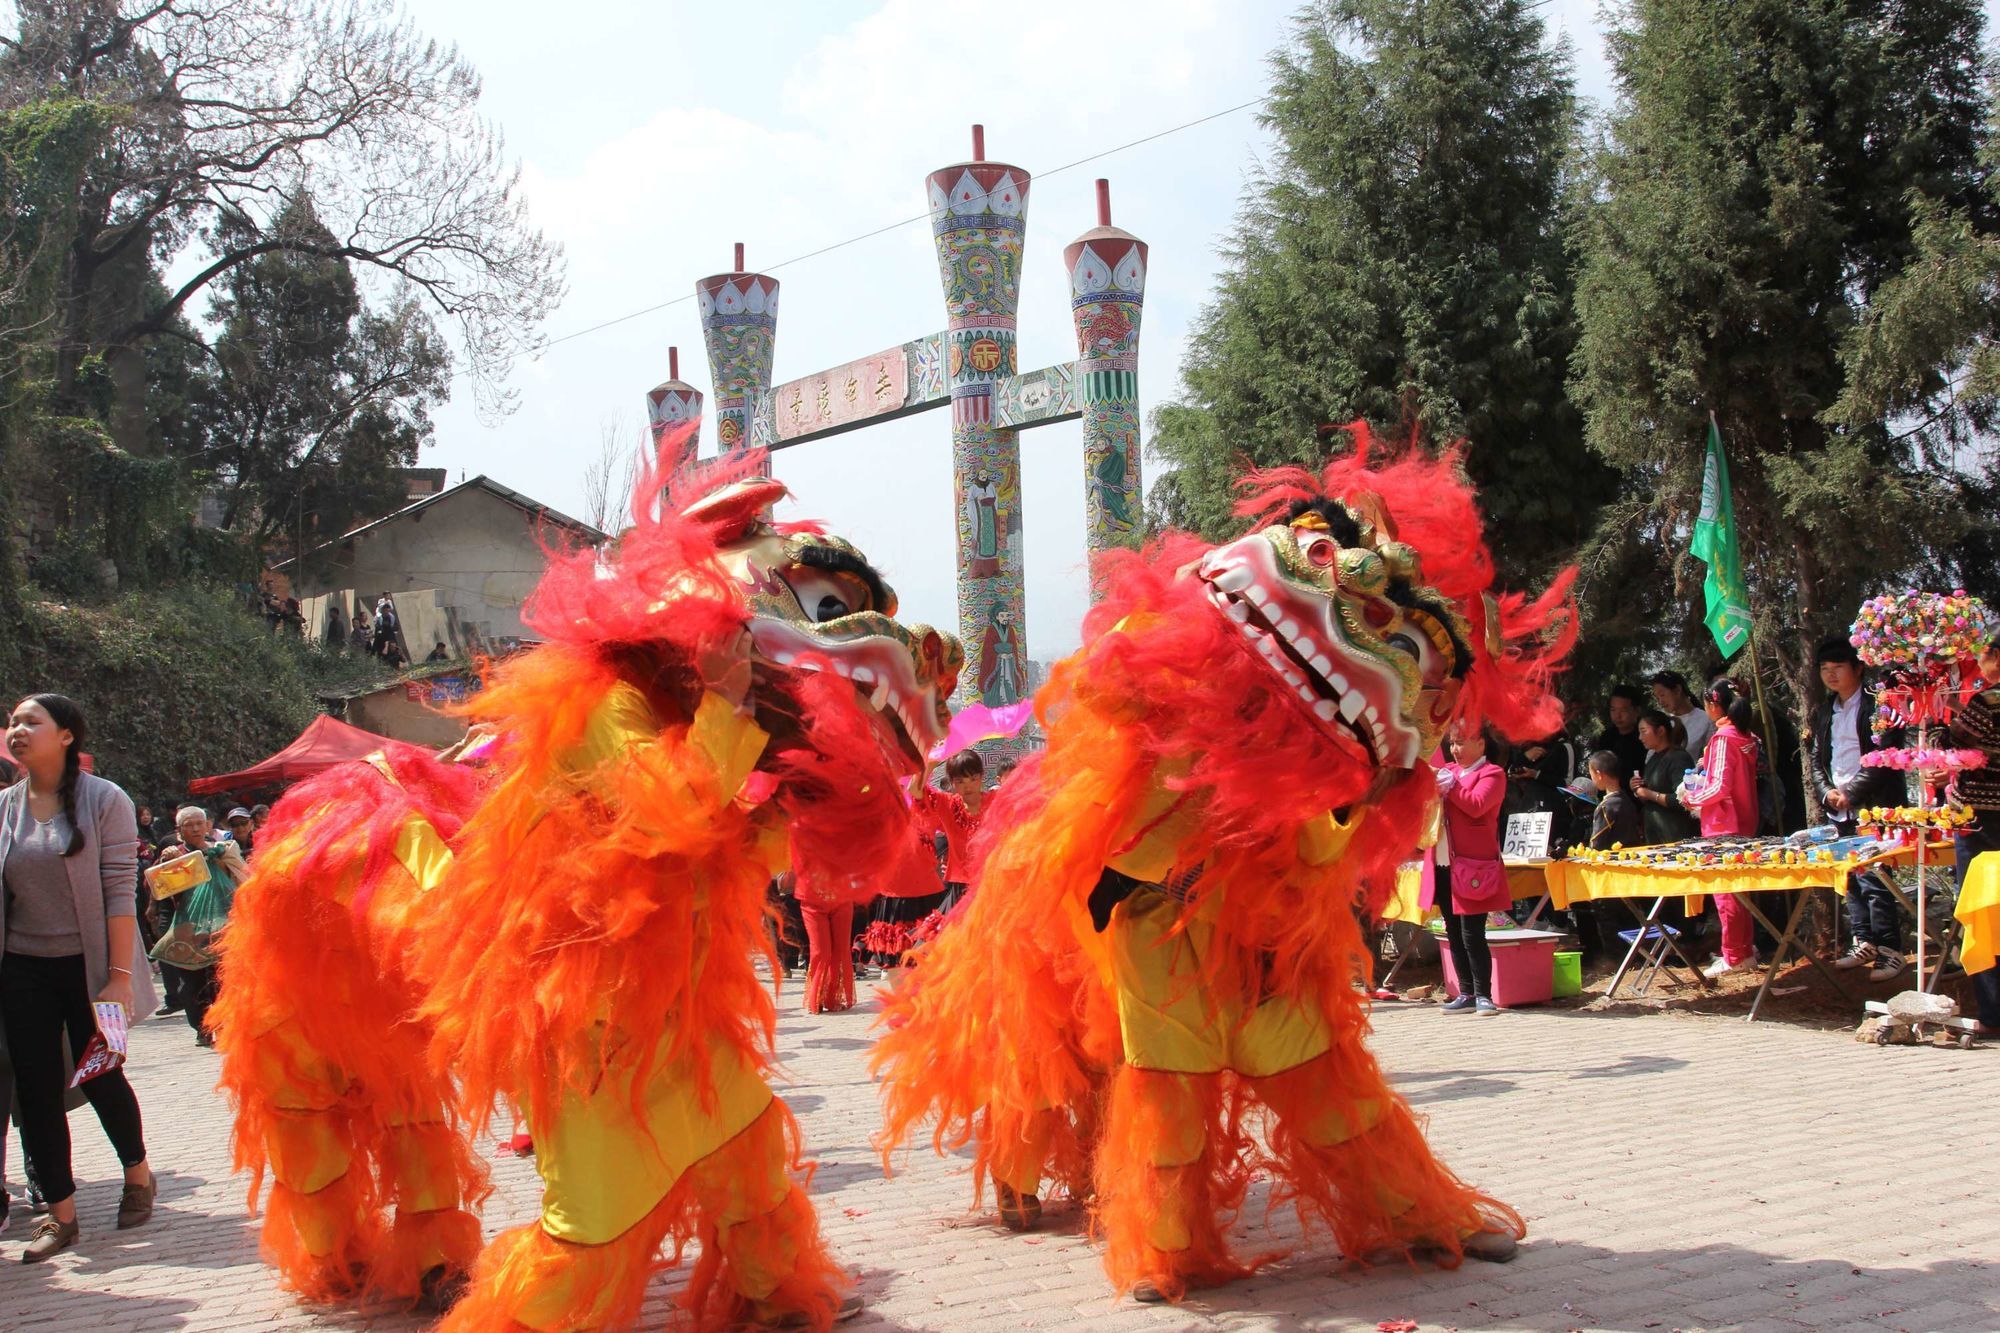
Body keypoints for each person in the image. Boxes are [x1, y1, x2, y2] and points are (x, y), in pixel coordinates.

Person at [0, 694, 156, 1261]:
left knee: (102, 1073)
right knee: (36, 1088)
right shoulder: (5, 807)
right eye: (13, 722)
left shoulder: (104, 799)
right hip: (22, 968)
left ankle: (137, 1174)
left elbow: (121, 889)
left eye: (30, 722)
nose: (17, 730)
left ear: (66, 735)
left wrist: (117, 979)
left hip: (96, 970)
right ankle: (60, 1216)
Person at [1806, 636, 1910, 980]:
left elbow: (1884, 756)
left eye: (1838, 668)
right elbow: (1817, 759)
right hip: (1838, 806)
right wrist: (1828, 794)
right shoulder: (1825, 710)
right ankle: (1863, 940)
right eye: (1825, 670)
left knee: (1878, 879)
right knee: (1850, 876)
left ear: (1858, 668)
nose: (1831, 676)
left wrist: (1853, 791)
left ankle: (1891, 949)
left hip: (1875, 804)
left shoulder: (1878, 705)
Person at [1679, 681, 1763, 978]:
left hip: (1722, 823)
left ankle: (1733, 954)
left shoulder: (1723, 738)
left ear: (1713, 705)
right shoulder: (1746, 736)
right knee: (1739, 890)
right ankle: (1744, 949)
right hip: (1744, 817)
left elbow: (1719, 786)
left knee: (1725, 892)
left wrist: (1691, 797)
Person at [1427, 727, 1510, 1015]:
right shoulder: (1448, 771)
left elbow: (1476, 806)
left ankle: (1483, 994)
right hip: (1442, 862)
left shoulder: (1493, 773)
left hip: (1473, 865)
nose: (1455, 750)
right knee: (1452, 930)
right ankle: (1465, 992)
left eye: (1461, 743)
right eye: (1452, 744)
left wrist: (1453, 787)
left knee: (1472, 932)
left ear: (1480, 743)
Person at [152, 806, 247, 1045]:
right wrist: (169, 861)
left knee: (222, 979)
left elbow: (242, 873)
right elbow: (161, 890)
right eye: (188, 825)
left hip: (222, 927)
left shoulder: (223, 850)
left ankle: (225, 1026)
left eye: (199, 823)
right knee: (191, 983)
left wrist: (212, 855)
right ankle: (202, 1028)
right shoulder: (174, 854)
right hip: (187, 927)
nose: (195, 828)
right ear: (179, 830)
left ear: (208, 826)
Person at [1946, 635, 2000, 1036]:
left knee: (1984, 914)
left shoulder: (1988, 702)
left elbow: (1954, 743)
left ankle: (1994, 1010)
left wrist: (1936, 718)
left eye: (1980, 656)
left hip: (1984, 819)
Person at [911, 749, 987, 913]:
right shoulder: (947, 804)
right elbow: (914, 790)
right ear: (952, 782)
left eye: (973, 779)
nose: (968, 786)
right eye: (960, 781)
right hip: (960, 888)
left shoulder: (996, 801)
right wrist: (931, 761)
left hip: (992, 885)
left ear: (982, 777)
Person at [1631, 710, 1698, 845]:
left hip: (1677, 837)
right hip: (1657, 837)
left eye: (1644, 731)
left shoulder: (1678, 758)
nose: (1640, 737)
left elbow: (1683, 800)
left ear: (1661, 731)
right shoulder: (1653, 759)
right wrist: (1637, 787)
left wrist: (1650, 794)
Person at [1648, 670, 1714, 762]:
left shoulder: (1706, 719)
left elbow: (1712, 758)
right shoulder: (1664, 723)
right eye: (1657, 698)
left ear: (1678, 690)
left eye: (1662, 695)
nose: (1660, 702)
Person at [1591, 685, 1648, 784]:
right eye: (1613, 710)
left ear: (1637, 711)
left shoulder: (1645, 738)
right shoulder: (1607, 736)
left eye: (1623, 710)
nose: (1618, 716)